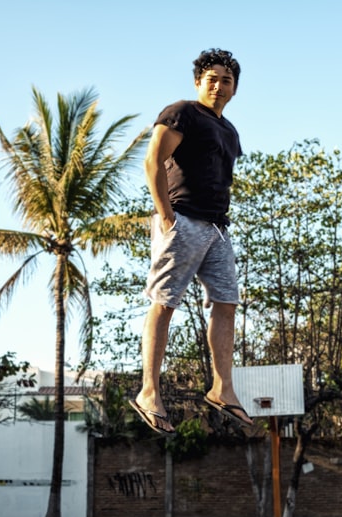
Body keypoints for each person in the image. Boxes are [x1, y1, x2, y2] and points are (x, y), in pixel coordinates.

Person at [130, 48, 253, 436]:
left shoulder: (229, 131)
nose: (219, 85)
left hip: (217, 229)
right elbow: (153, 161)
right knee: (164, 303)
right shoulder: (182, 111)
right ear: (199, 82)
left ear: (235, 89)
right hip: (182, 220)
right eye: (211, 78)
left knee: (227, 302)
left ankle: (222, 388)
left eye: (226, 80)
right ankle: (149, 392)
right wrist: (166, 216)